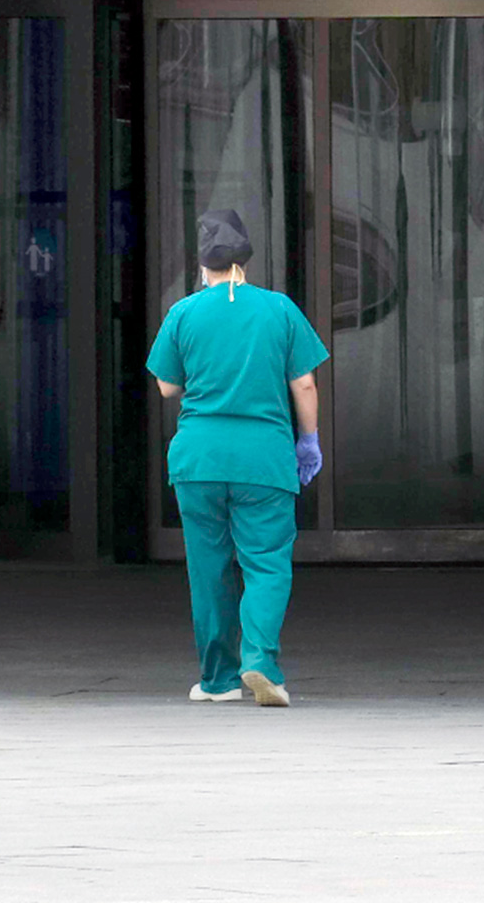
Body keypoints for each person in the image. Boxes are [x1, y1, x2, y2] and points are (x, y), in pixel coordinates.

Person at [147, 209, 328, 708]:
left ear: (202, 263)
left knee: (208, 569)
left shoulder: (183, 312)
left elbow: (167, 385)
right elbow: (305, 383)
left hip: (199, 460)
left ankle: (218, 679)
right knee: (267, 563)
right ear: (244, 258)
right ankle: (261, 661)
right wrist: (307, 440)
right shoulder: (279, 310)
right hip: (263, 460)